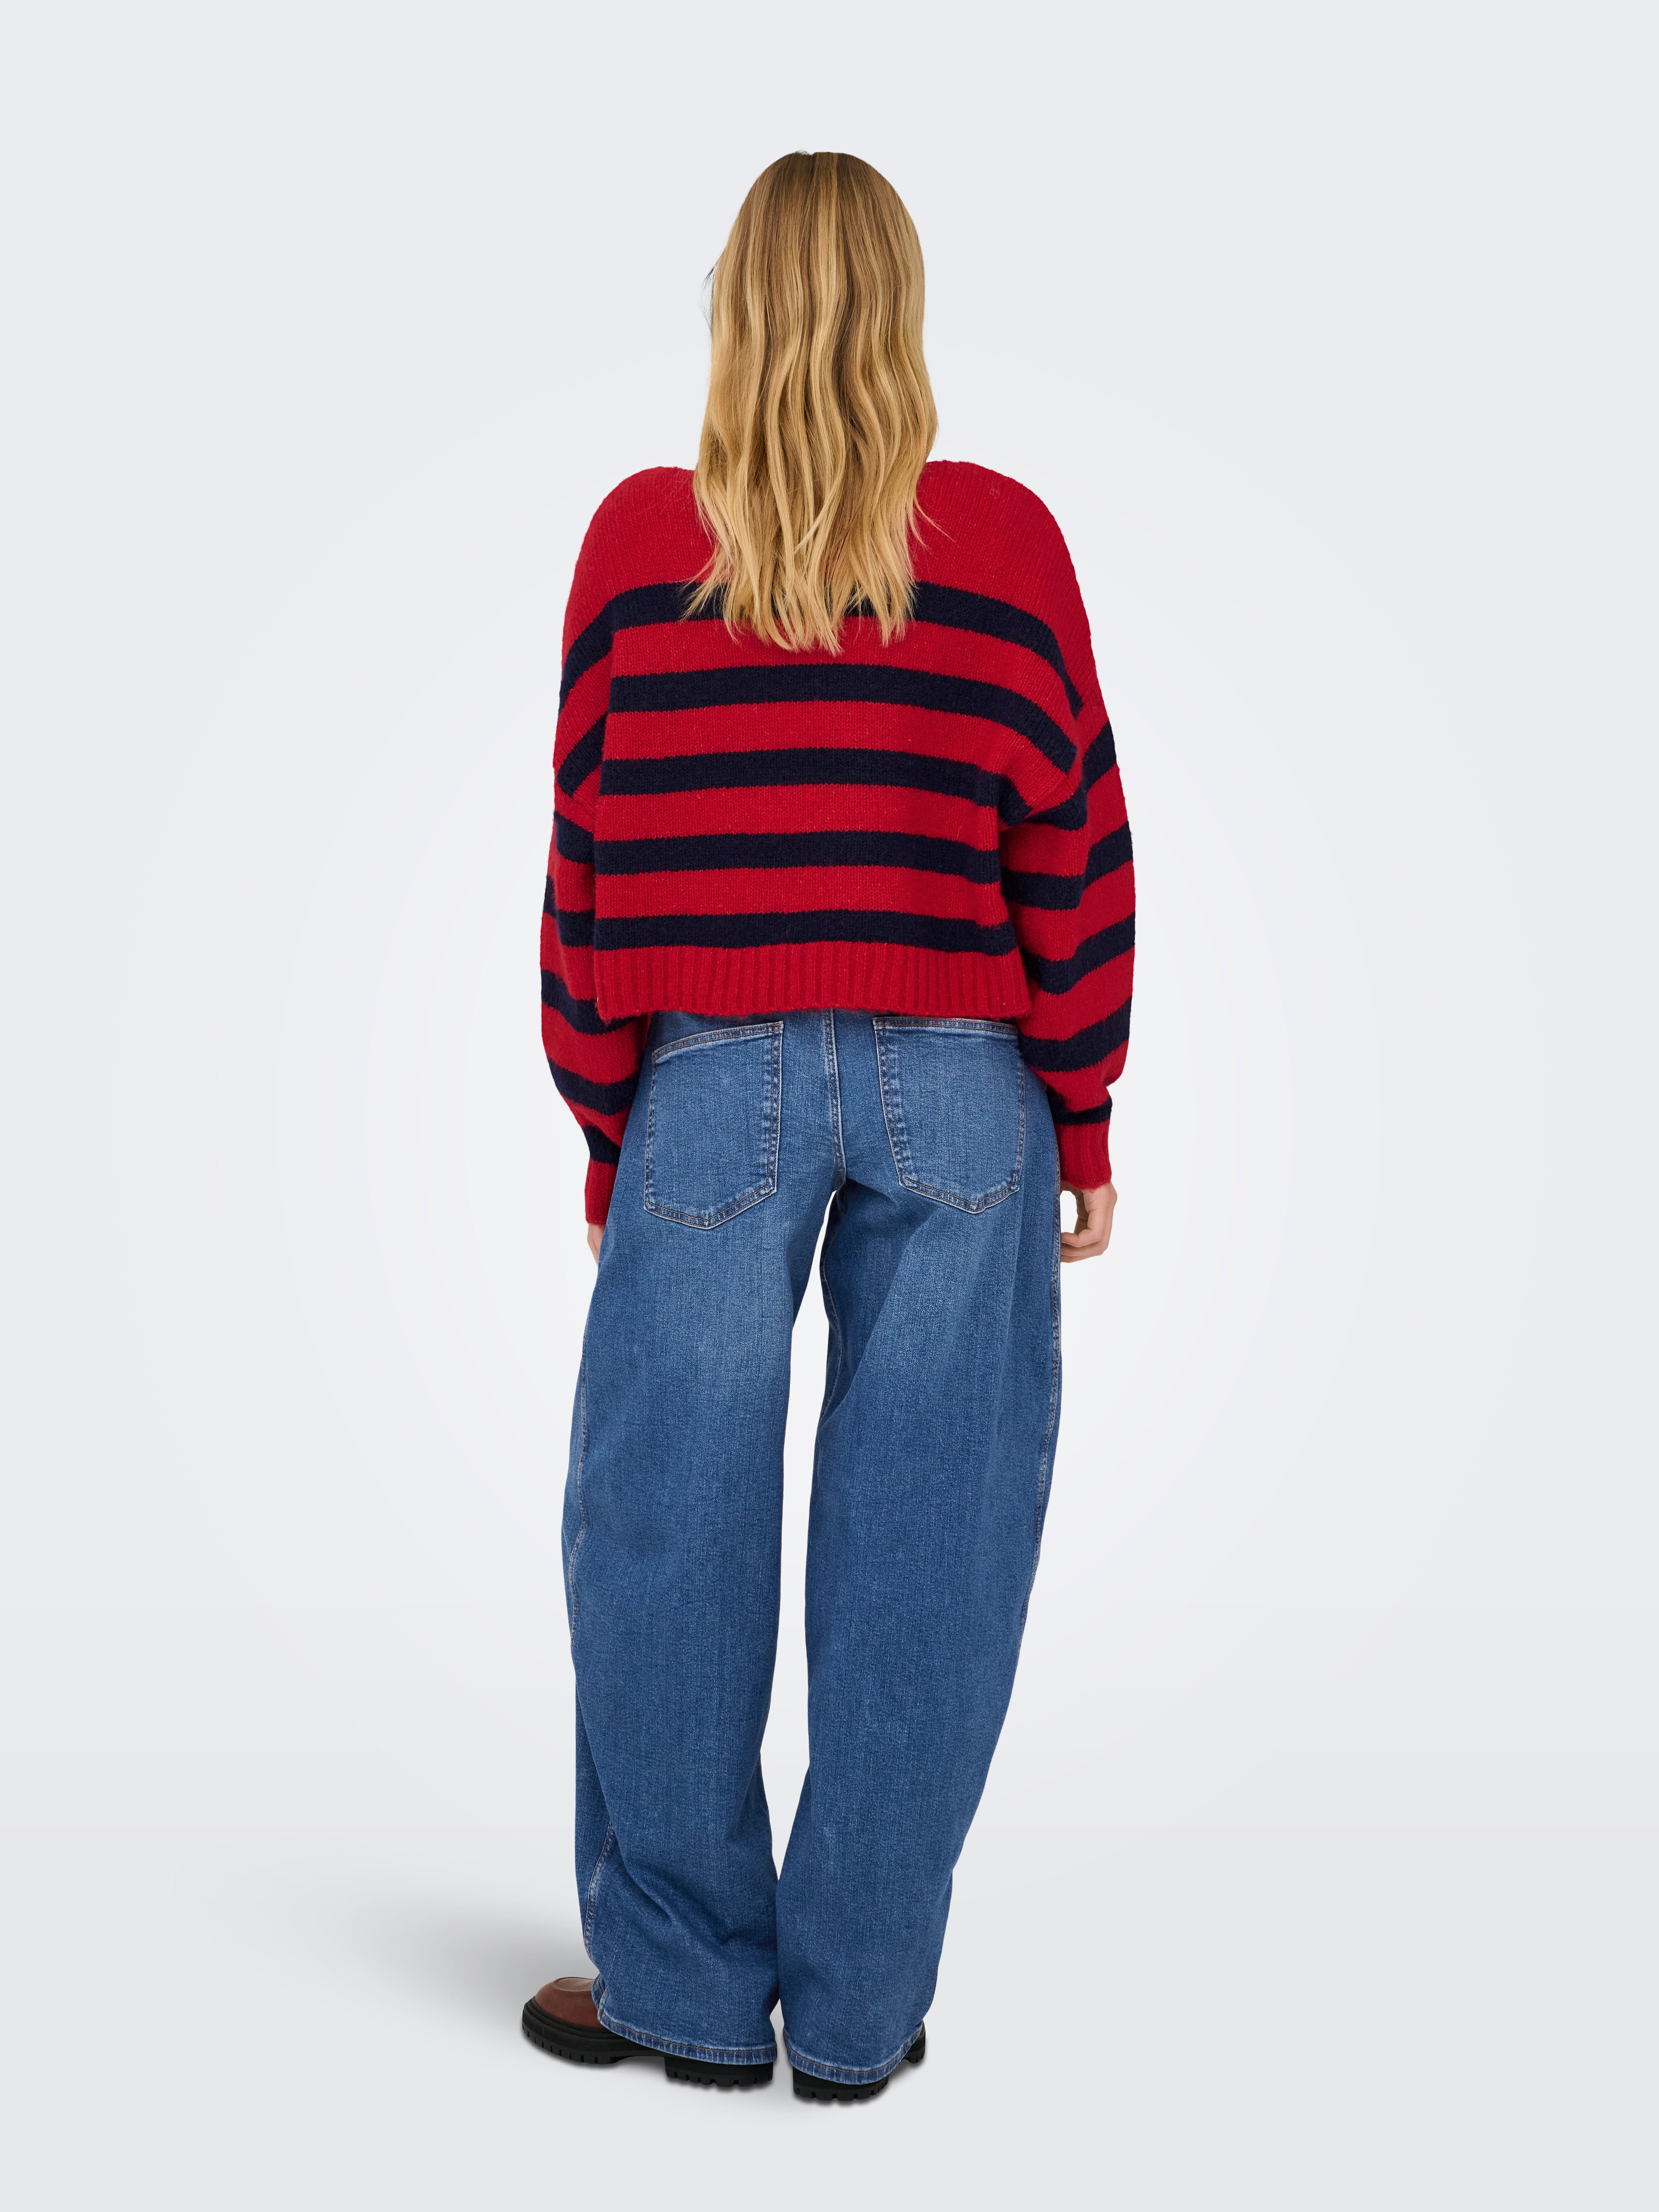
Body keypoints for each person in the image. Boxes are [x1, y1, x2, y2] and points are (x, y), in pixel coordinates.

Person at [524, 151, 1134, 2102]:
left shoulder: (641, 546)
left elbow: (586, 866)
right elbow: (1075, 840)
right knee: (932, 1537)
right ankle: (860, 2010)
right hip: (969, 1080)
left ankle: (687, 1988)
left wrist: (604, 1118)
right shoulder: (1007, 546)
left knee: (662, 1524)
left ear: (735, 310)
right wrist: (1085, 1105)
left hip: (706, 1079)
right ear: (902, 311)